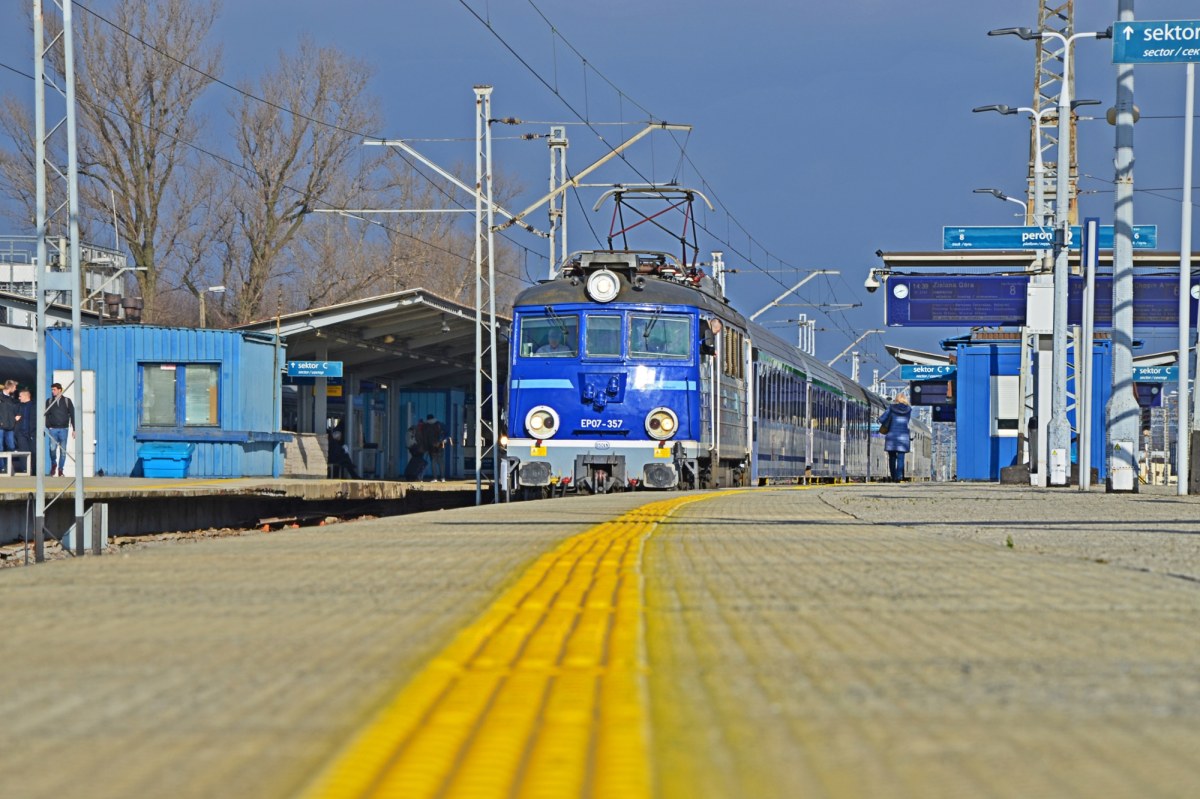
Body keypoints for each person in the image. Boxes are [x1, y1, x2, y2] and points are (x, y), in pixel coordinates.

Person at [878, 393, 913, 483]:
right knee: (901, 458)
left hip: (892, 436)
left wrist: (887, 421)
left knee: (892, 457)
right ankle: (899, 476)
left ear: (896, 399)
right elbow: (907, 421)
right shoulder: (909, 410)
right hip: (903, 437)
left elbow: (882, 419)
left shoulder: (891, 408)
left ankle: (893, 476)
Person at [45, 382, 74, 477]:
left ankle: (61, 469)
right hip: (53, 429)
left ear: (60, 390)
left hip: (64, 429)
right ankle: (54, 463)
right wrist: (48, 426)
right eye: (52, 390)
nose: (52, 391)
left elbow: (73, 414)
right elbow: (45, 414)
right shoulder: (49, 401)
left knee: (63, 451)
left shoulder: (67, 401)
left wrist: (74, 429)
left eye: (54, 390)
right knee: (52, 448)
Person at [418, 413, 451, 481]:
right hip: (440, 445)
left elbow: (424, 438)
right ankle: (443, 478)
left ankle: (435, 478)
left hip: (431, 447)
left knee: (433, 462)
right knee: (441, 462)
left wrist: (425, 447)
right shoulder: (440, 424)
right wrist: (444, 440)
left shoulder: (426, 426)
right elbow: (447, 433)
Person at [14, 387, 34, 473]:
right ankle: (24, 470)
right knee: (23, 452)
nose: (19, 398)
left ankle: (33, 470)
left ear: (26, 396)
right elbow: (12, 416)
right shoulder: (18, 406)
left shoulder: (34, 406)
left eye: (20, 396)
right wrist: (15, 419)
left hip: (32, 433)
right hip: (21, 433)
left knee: (33, 452)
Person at [0, 379, 17, 452]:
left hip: (10, 426)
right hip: (1, 426)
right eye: (15, 387)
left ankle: (9, 461)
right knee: (0, 448)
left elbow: (13, 411)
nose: (15, 389)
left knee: (11, 447)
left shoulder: (11, 399)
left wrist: (14, 419)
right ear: (11, 387)